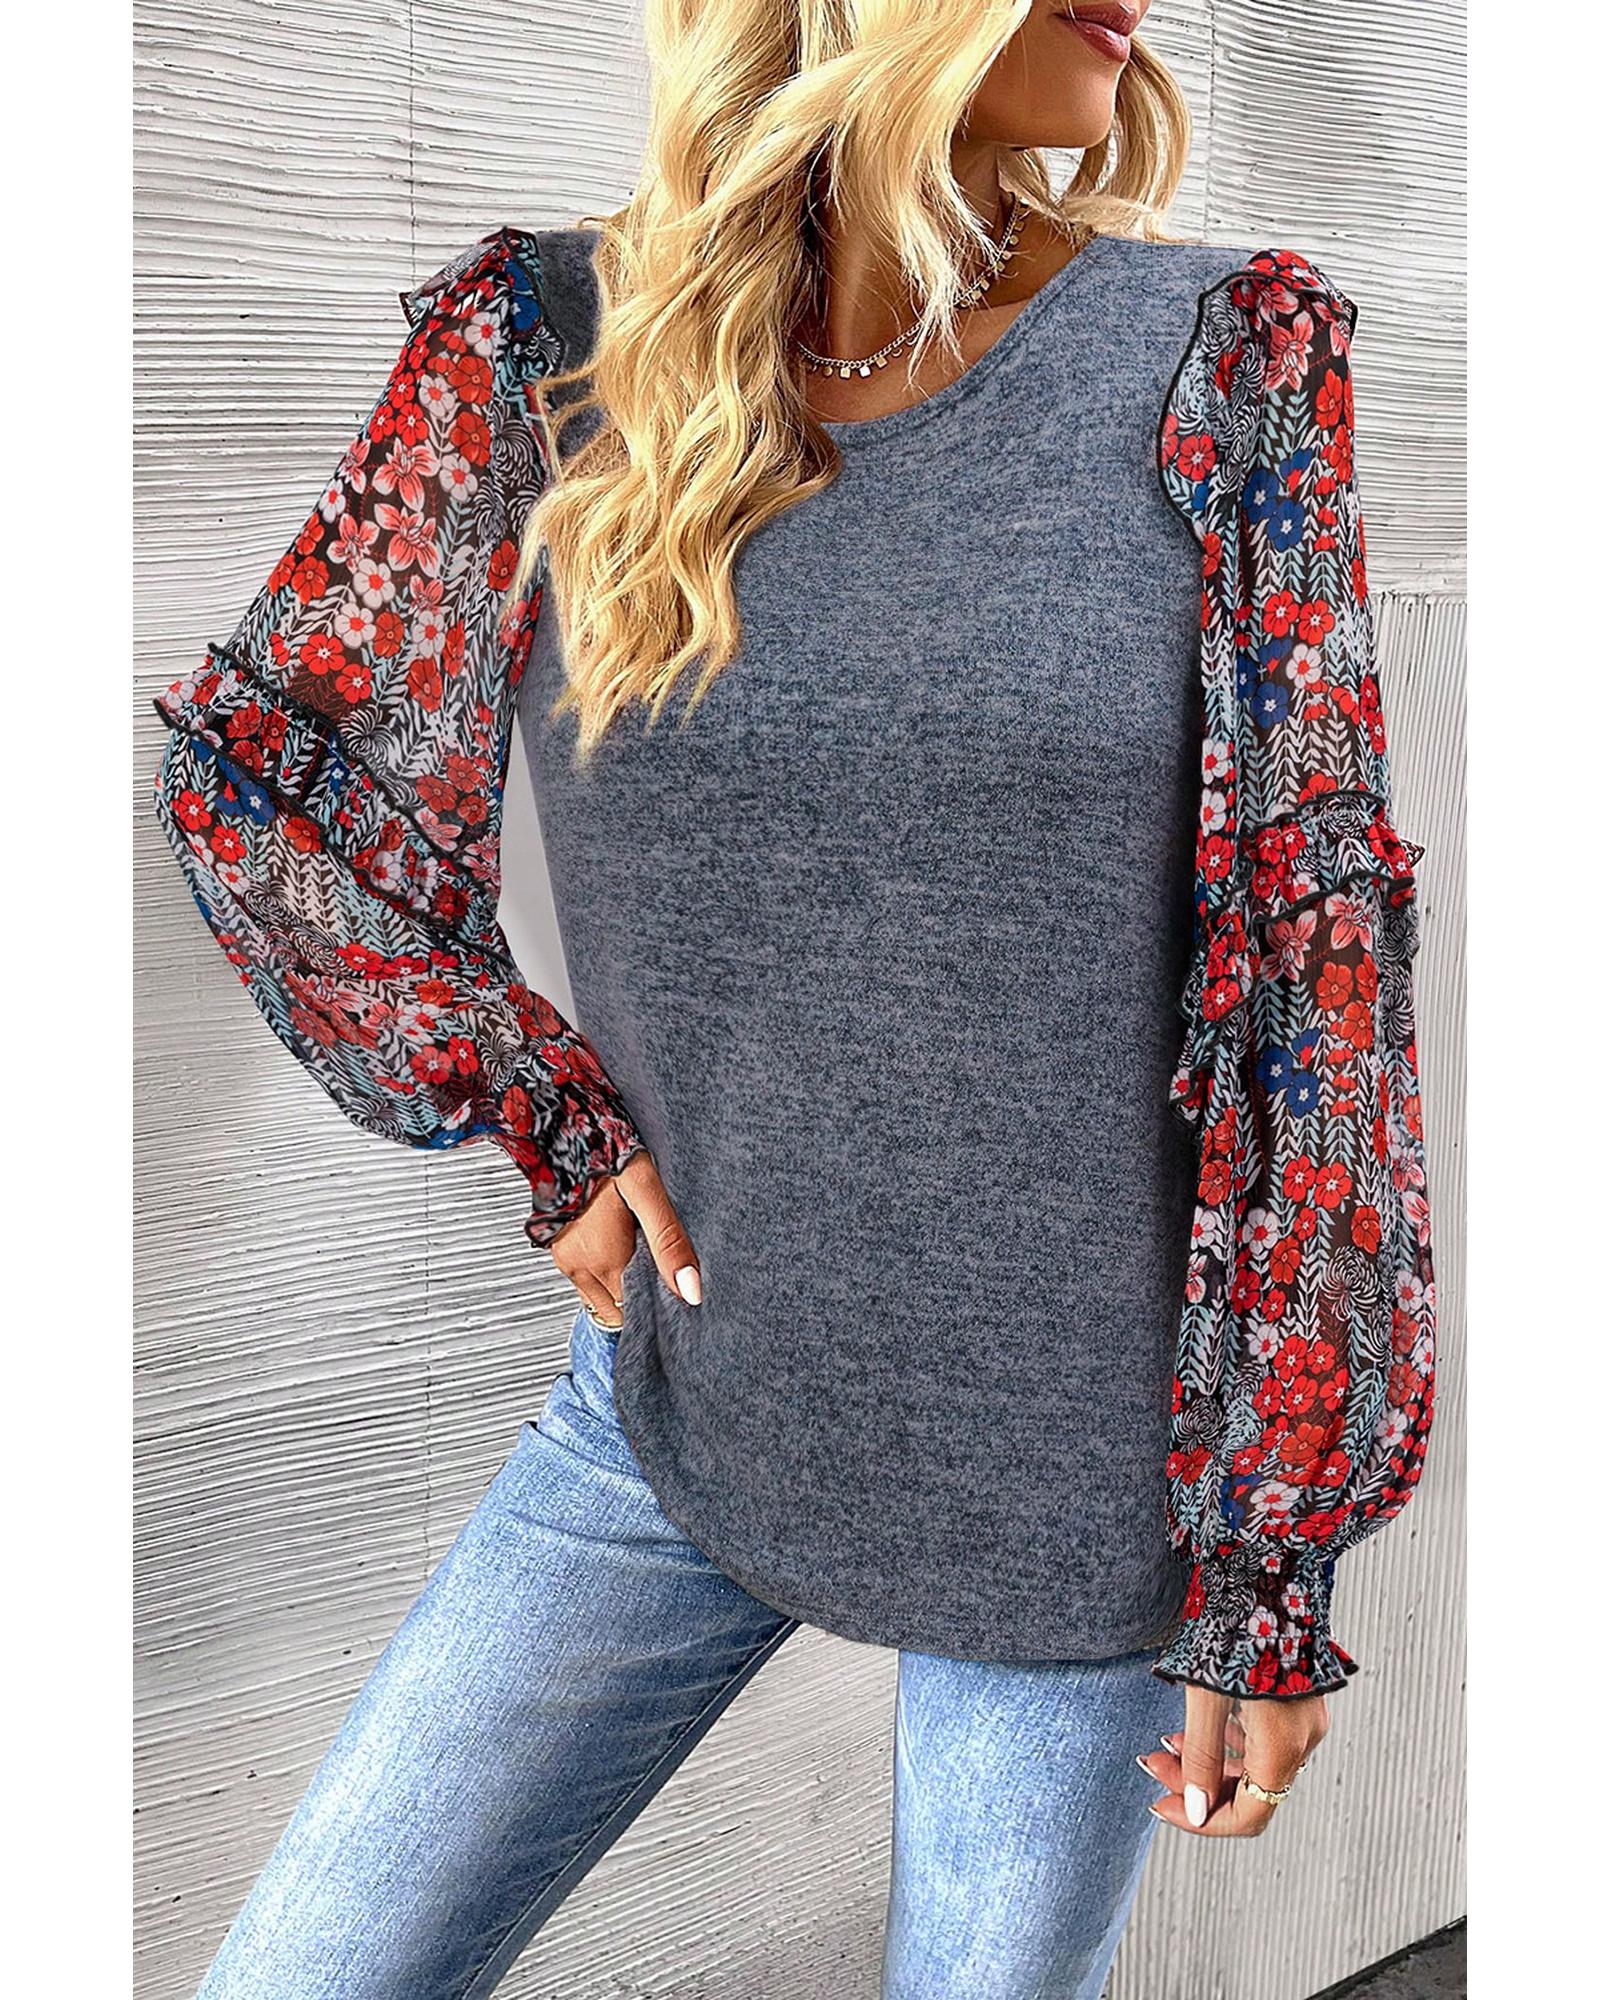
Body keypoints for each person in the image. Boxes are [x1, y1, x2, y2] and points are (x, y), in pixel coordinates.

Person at [151, 2, 1437, 1994]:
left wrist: (1264, 1559)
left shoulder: (1221, 361)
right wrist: (540, 1113)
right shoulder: (547, 352)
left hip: (1079, 1482)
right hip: (687, 1392)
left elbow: (1312, 970)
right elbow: (271, 774)